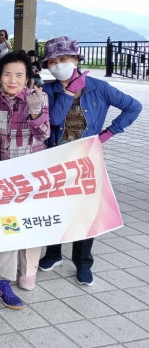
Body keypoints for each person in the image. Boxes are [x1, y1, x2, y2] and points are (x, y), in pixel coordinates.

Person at [38, 36, 142, 286]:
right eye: (52, 61)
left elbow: (134, 107)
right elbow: (54, 120)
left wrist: (108, 133)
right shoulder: (47, 90)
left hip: (86, 159)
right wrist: (68, 92)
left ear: (76, 59)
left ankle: (83, 263)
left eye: (64, 59)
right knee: (56, 208)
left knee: (85, 211)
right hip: (56, 159)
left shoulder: (99, 88)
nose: (58, 65)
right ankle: (53, 254)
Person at [0, 51, 50, 307]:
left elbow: (44, 135)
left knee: (24, 222)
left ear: (27, 77)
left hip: (29, 174)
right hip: (2, 172)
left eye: (19, 75)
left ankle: (16, 273)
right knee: (5, 220)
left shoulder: (39, 98)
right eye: (8, 74)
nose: (13, 80)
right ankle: (1, 273)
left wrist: (35, 112)